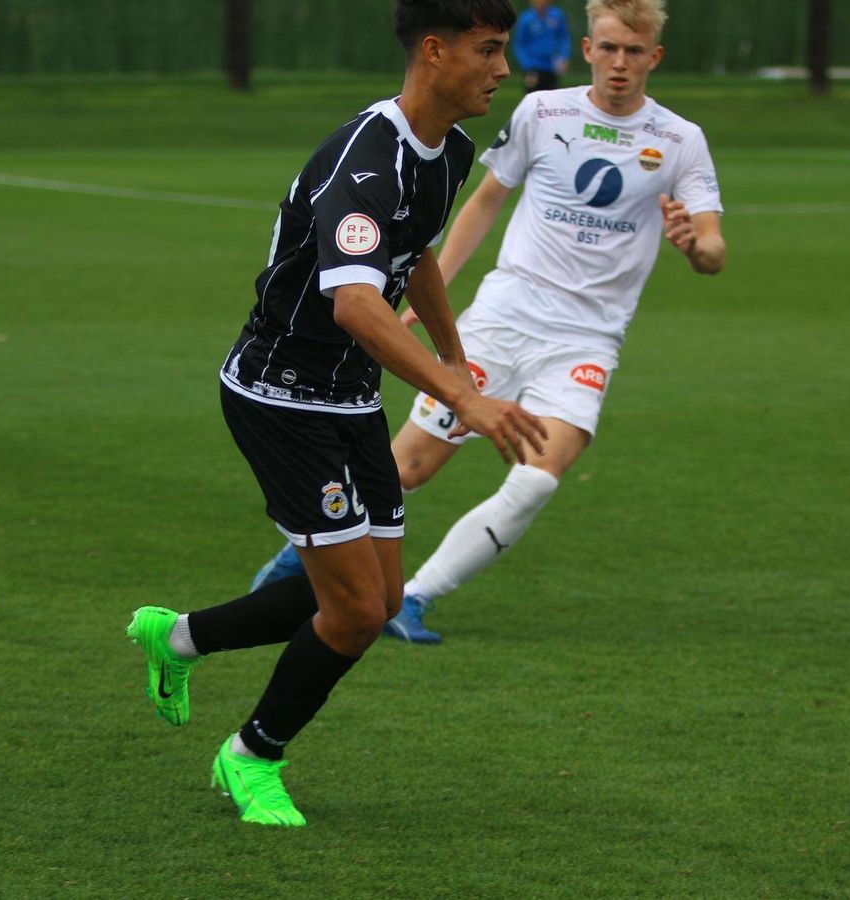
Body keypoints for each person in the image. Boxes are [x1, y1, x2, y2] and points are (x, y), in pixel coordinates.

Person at [126, 0, 545, 828]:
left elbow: (415, 250)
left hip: (350, 395)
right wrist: (461, 396)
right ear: (435, 50)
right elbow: (357, 301)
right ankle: (250, 756)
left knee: (375, 599)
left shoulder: (448, 149)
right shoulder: (368, 160)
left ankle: (175, 639)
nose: (503, 69)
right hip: (279, 397)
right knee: (353, 612)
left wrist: (455, 358)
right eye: (489, 51)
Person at [251, 0, 726, 644]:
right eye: (609, 48)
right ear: (587, 49)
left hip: (588, 339)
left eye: (634, 51)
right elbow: (484, 201)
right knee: (408, 469)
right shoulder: (542, 112)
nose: (620, 63)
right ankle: (295, 568)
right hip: (506, 316)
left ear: (654, 57)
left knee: (535, 478)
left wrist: (693, 245)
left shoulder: (679, 139)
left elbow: (713, 250)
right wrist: (432, 287)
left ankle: (413, 599)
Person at [514, 0, 571, 91]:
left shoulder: (557, 15)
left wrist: (563, 57)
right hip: (533, 67)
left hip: (551, 66)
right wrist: (528, 67)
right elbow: (520, 45)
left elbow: (564, 38)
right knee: (533, 98)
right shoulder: (526, 18)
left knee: (552, 99)